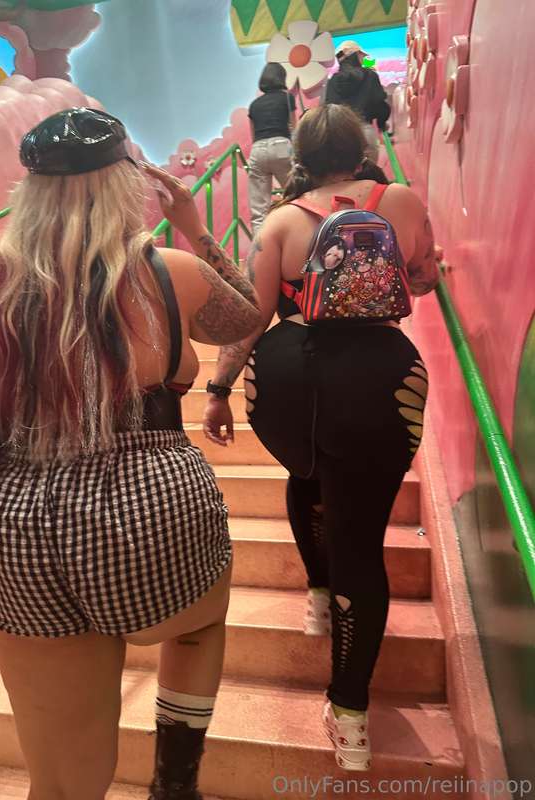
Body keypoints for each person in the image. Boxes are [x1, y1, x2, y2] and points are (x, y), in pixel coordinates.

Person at [0, 108, 261, 800]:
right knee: (198, 623)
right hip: (152, 508)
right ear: (127, 182)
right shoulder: (170, 273)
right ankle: (174, 783)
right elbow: (247, 316)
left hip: (21, 529)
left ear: (29, 193)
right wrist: (192, 225)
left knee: (63, 783)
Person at [202, 104, 439, 772]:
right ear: (362, 149)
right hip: (383, 376)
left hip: (289, 376)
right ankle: (351, 715)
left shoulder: (279, 221)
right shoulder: (401, 201)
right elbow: (422, 277)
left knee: (306, 472)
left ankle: (316, 594)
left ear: (300, 157)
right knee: (362, 546)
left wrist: (219, 387)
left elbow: (251, 316)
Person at [247, 62, 296, 234]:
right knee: (295, 196)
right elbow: (294, 128)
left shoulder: (254, 104)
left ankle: (259, 247)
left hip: (258, 149)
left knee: (259, 209)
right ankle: (295, 237)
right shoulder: (287, 98)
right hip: (281, 146)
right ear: (282, 78)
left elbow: (253, 135)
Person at [324, 40, 390, 162]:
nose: (363, 58)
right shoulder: (370, 75)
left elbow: (328, 109)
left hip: (342, 136)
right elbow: (379, 103)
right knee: (369, 171)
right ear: (355, 55)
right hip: (365, 132)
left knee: (347, 172)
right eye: (360, 54)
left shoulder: (333, 80)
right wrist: (382, 123)